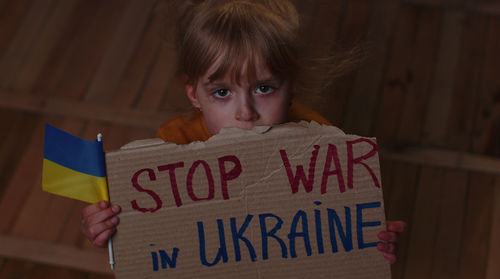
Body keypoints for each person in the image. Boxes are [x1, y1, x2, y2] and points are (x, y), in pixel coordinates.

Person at [81, 0, 407, 264]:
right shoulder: (174, 144)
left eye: (264, 88)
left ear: (290, 86)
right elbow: (157, 241)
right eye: (222, 92)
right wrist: (111, 230)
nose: (245, 113)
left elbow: (335, 227)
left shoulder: (320, 142)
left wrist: (367, 243)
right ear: (194, 94)